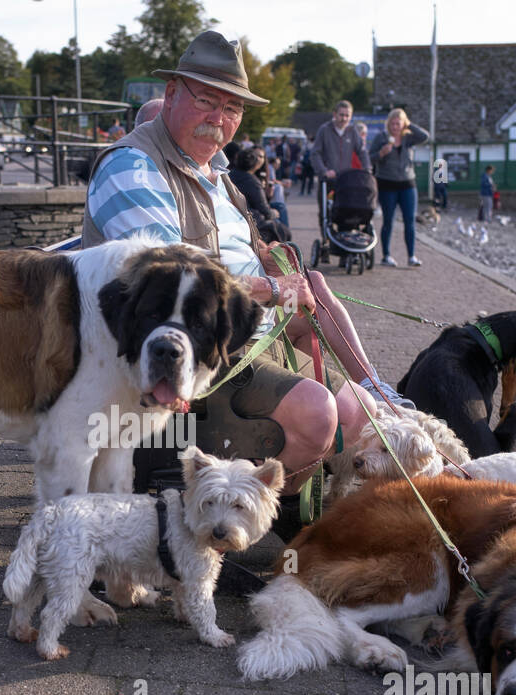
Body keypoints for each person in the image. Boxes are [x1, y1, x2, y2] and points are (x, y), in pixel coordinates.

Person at [82, 30, 412, 522]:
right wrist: (275, 289)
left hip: (250, 331)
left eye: (232, 108)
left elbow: (250, 246)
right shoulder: (133, 167)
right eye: (207, 101)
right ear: (171, 94)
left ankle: (267, 510)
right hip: (186, 355)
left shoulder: (215, 173)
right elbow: (174, 279)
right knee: (319, 417)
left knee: (362, 411)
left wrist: (275, 263)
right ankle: (215, 520)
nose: (220, 119)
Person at [367, 107, 429, 267]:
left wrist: (409, 125)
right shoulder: (381, 138)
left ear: (403, 124)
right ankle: (386, 256)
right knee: (389, 221)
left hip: (408, 184)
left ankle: (411, 256)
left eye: (398, 123)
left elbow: (425, 136)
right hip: (387, 184)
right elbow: (369, 158)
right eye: (392, 124)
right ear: (388, 124)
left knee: (410, 221)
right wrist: (381, 154)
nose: (395, 127)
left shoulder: (408, 138)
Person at [310, 100, 369, 263]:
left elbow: (362, 152)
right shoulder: (324, 130)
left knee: (346, 212)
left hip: (346, 182)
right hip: (328, 180)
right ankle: (327, 243)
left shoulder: (352, 131)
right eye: (341, 115)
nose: (344, 119)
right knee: (326, 214)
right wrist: (323, 171)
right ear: (334, 114)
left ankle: (346, 249)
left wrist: (367, 169)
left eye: (347, 116)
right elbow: (315, 153)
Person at [229, 147, 288, 243]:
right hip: (251, 215)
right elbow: (263, 207)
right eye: (257, 156)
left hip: (248, 210)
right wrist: (273, 213)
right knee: (281, 219)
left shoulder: (233, 174)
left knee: (279, 207)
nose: (259, 159)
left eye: (261, 157)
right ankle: (286, 248)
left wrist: (268, 194)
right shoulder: (251, 179)